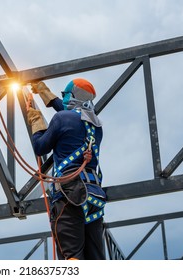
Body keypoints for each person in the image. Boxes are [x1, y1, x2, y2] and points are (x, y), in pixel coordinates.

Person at [27, 78, 106, 260]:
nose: (63, 98)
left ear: (73, 96)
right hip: (94, 197)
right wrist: (44, 92)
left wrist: (36, 120)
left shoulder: (62, 119)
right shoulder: (96, 125)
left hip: (70, 195)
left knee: (71, 258)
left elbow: (40, 147)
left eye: (65, 94)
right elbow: (71, 117)